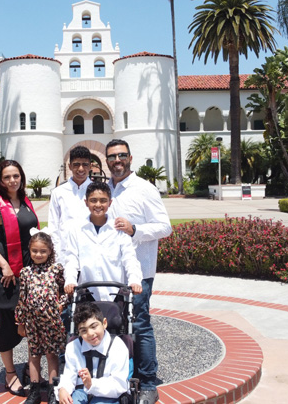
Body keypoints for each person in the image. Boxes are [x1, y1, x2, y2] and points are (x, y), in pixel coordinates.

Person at [105, 139, 172, 404]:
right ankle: (116, 376)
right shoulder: (103, 189)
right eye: (112, 157)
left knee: (140, 324)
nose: (117, 160)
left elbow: (165, 227)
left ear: (130, 158)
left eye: (121, 155)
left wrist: (136, 230)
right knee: (112, 324)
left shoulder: (145, 189)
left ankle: (147, 381)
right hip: (110, 271)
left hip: (140, 271)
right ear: (107, 161)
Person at [0, 160, 40, 397]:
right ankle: (10, 373)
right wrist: (4, 265)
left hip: (27, 271)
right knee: (8, 321)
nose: (13, 180)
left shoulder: (24, 200)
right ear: (0, 181)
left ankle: (31, 371)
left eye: (16, 176)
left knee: (31, 320)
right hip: (6, 273)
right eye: (7, 177)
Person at [63, 181, 142, 301]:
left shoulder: (119, 229)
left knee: (117, 320)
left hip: (115, 293)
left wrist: (134, 280)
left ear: (110, 203)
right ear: (86, 202)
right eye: (93, 200)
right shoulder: (77, 229)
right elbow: (71, 259)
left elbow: (129, 257)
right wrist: (70, 280)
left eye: (103, 200)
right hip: (87, 292)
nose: (98, 204)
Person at [15, 231, 68, 404]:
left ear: (50, 251)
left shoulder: (56, 270)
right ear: (30, 250)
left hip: (51, 321)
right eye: (35, 251)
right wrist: (21, 322)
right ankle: (35, 390)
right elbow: (22, 298)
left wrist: (61, 304)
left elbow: (66, 290)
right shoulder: (26, 273)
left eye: (43, 251)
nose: (38, 254)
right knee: (34, 355)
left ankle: (53, 389)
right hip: (32, 322)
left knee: (52, 354)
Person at [57, 302, 130, 404]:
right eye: (83, 331)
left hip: (108, 394)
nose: (90, 334)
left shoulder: (118, 347)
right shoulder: (73, 347)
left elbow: (119, 385)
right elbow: (69, 375)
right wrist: (63, 389)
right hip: (80, 391)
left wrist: (92, 384)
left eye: (94, 326)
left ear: (104, 323)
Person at [48, 146, 93, 260]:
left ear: (90, 166)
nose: (81, 169)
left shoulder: (98, 191)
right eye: (76, 164)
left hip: (91, 252)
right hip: (65, 254)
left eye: (85, 164)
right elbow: (53, 226)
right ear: (69, 166)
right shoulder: (58, 192)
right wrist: (57, 255)